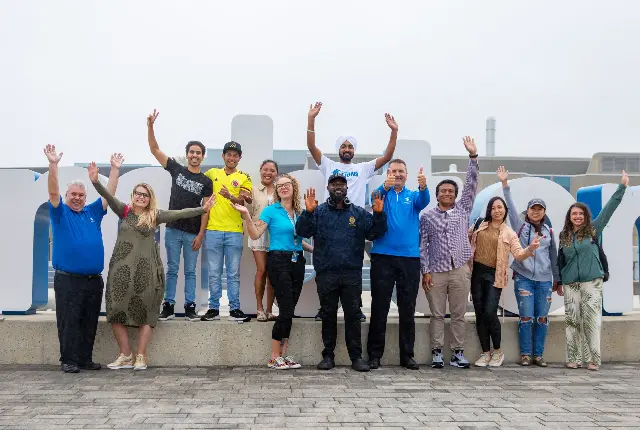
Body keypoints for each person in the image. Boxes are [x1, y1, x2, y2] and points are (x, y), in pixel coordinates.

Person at [88, 163, 214, 371]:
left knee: (146, 312)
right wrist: (95, 182)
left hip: (146, 272)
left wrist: (203, 209)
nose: (141, 197)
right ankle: (125, 354)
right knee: (116, 310)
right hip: (121, 270)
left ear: (149, 199)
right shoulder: (124, 211)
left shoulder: (155, 215)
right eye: (138, 193)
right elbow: (108, 197)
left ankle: (141, 356)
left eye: (145, 195)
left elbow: (180, 213)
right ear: (133, 195)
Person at [306, 102, 397, 321]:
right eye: (344, 146)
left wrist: (394, 132)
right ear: (339, 149)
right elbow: (311, 147)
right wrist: (311, 119)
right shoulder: (328, 165)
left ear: (354, 151)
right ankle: (325, 307)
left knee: (354, 266)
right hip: (329, 218)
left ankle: (354, 308)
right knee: (325, 264)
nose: (347, 149)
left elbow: (387, 156)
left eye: (350, 147)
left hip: (354, 220)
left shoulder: (362, 168)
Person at [296, 174, 387, 372]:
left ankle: (356, 357)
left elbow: (374, 233)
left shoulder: (359, 213)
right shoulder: (318, 212)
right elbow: (302, 231)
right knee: (328, 314)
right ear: (328, 187)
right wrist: (308, 212)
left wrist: (379, 215)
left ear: (346, 188)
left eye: (342, 184)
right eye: (334, 184)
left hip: (351, 274)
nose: (338, 187)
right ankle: (328, 356)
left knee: (352, 315)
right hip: (326, 273)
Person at [45, 144, 124, 373]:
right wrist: (53, 165)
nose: (77, 198)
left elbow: (108, 194)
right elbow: (52, 192)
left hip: (93, 280)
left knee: (89, 321)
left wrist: (114, 169)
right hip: (68, 279)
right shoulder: (60, 213)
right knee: (69, 321)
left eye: (81, 195)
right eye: (73, 195)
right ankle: (68, 360)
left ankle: (84, 359)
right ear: (66, 196)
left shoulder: (92, 212)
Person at [234, 174, 314, 369]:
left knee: (290, 311)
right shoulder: (271, 211)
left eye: (287, 185)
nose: (283, 188)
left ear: (294, 188)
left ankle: (283, 355)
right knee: (285, 309)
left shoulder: (299, 212)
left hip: (297, 261)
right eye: (280, 186)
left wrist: (316, 250)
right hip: (278, 260)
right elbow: (255, 234)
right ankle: (273, 356)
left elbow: (297, 239)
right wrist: (246, 214)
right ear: (277, 191)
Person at [146, 110, 214, 322]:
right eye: (191, 152)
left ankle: (190, 307)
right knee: (173, 269)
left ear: (203, 156)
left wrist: (201, 234)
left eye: (198, 153)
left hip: (193, 232)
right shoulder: (177, 170)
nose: (194, 155)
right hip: (174, 229)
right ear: (187, 155)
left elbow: (206, 209)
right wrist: (150, 127)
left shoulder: (206, 181)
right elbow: (155, 149)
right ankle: (168, 305)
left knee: (191, 271)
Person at [557, 171, 628, 371]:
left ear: (585, 216)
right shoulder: (564, 235)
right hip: (571, 283)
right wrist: (560, 281)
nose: (577, 216)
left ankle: (593, 360)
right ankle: (574, 358)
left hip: (592, 282)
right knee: (572, 322)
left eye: (580, 214)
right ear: (569, 217)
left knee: (591, 322)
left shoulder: (594, 229)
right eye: (574, 214)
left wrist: (621, 187)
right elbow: (560, 260)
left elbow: (609, 209)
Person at [419, 136, 478, 369]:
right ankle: (436, 352)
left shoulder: (463, 210)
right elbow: (423, 245)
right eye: (443, 190)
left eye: (451, 190)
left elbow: (472, 184)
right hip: (436, 271)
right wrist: (425, 271)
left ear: (455, 194)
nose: (447, 193)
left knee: (459, 314)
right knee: (436, 315)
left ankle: (457, 353)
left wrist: (473, 157)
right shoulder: (427, 217)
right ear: (437, 194)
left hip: (460, 268)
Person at [366, 160, 430, 370]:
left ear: (407, 174)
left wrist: (423, 186)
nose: (397, 174)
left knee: (407, 308)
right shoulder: (381, 193)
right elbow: (373, 198)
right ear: (387, 174)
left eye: (401, 171)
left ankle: (407, 355)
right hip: (382, 256)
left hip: (409, 258)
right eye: (393, 171)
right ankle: (374, 355)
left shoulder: (412, 196)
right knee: (379, 307)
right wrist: (384, 187)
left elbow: (424, 200)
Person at [497, 166, 560, 367]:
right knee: (526, 318)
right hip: (523, 278)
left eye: (539, 209)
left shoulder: (549, 231)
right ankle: (525, 354)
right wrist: (505, 185)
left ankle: (538, 355)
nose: (536, 212)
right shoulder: (520, 226)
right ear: (528, 211)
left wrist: (557, 280)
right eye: (533, 208)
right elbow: (511, 206)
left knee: (541, 318)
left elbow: (553, 256)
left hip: (544, 281)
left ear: (544, 212)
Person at [468, 196, 540, 367]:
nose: (496, 211)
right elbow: (466, 239)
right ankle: (485, 352)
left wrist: (530, 248)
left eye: (500, 207)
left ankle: (498, 351)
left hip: (495, 275)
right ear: (489, 210)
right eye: (493, 208)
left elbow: (519, 254)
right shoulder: (479, 224)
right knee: (479, 313)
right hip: (476, 273)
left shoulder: (509, 232)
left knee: (490, 312)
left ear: (505, 210)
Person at [202, 141, 253, 322]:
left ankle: (235, 309)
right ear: (223, 156)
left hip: (234, 231)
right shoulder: (212, 174)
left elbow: (244, 200)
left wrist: (230, 196)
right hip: (213, 230)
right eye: (229, 154)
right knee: (214, 271)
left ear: (239, 158)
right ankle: (213, 308)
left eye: (235, 155)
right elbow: (198, 185)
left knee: (233, 273)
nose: (232, 158)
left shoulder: (244, 177)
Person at [249, 160, 279, 322]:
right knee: (262, 270)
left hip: (276, 235)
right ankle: (259, 309)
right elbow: (248, 212)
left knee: (273, 273)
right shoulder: (253, 191)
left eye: (272, 170)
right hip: (258, 234)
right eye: (265, 169)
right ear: (260, 171)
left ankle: (269, 310)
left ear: (276, 173)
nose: (268, 172)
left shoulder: (280, 191)